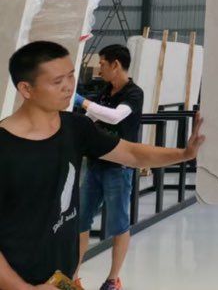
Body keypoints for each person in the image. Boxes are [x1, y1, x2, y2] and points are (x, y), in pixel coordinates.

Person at [0, 41, 204, 290]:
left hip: (60, 280)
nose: (68, 87)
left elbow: (131, 153)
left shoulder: (75, 128)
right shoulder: (5, 146)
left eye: (71, 75)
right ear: (26, 89)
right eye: (57, 81)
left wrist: (184, 153)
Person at [73, 45, 144, 290]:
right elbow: (92, 118)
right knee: (80, 221)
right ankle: (73, 277)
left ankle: (113, 280)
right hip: (95, 164)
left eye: (102, 63)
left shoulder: (134, 93)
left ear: (116, 64)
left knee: (118, 224)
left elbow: (115, 116)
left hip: (118, 167)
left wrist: (82, 101)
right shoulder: (105, 91)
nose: (99, 68)